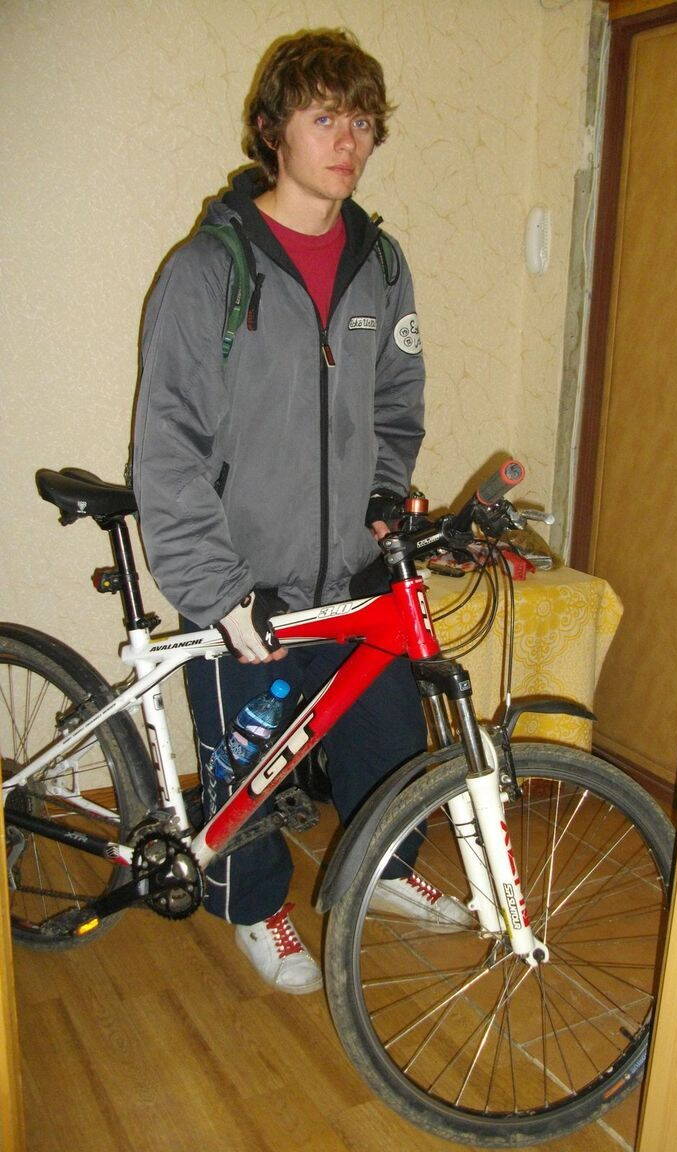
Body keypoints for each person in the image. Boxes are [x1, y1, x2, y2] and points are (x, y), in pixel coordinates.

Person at [133, 28, 470, 994]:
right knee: (248, 774)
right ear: (273, 129)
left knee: (386, 742)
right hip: (250, 584)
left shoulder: (381, 263)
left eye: (361, 121)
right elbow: (168, 446)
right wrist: (216, 592)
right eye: (325, 118)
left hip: (355, 574)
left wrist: (383, 496)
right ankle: (251, 906)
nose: (348, 140)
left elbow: (397, 402)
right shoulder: (209, 269)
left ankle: (386, 871)